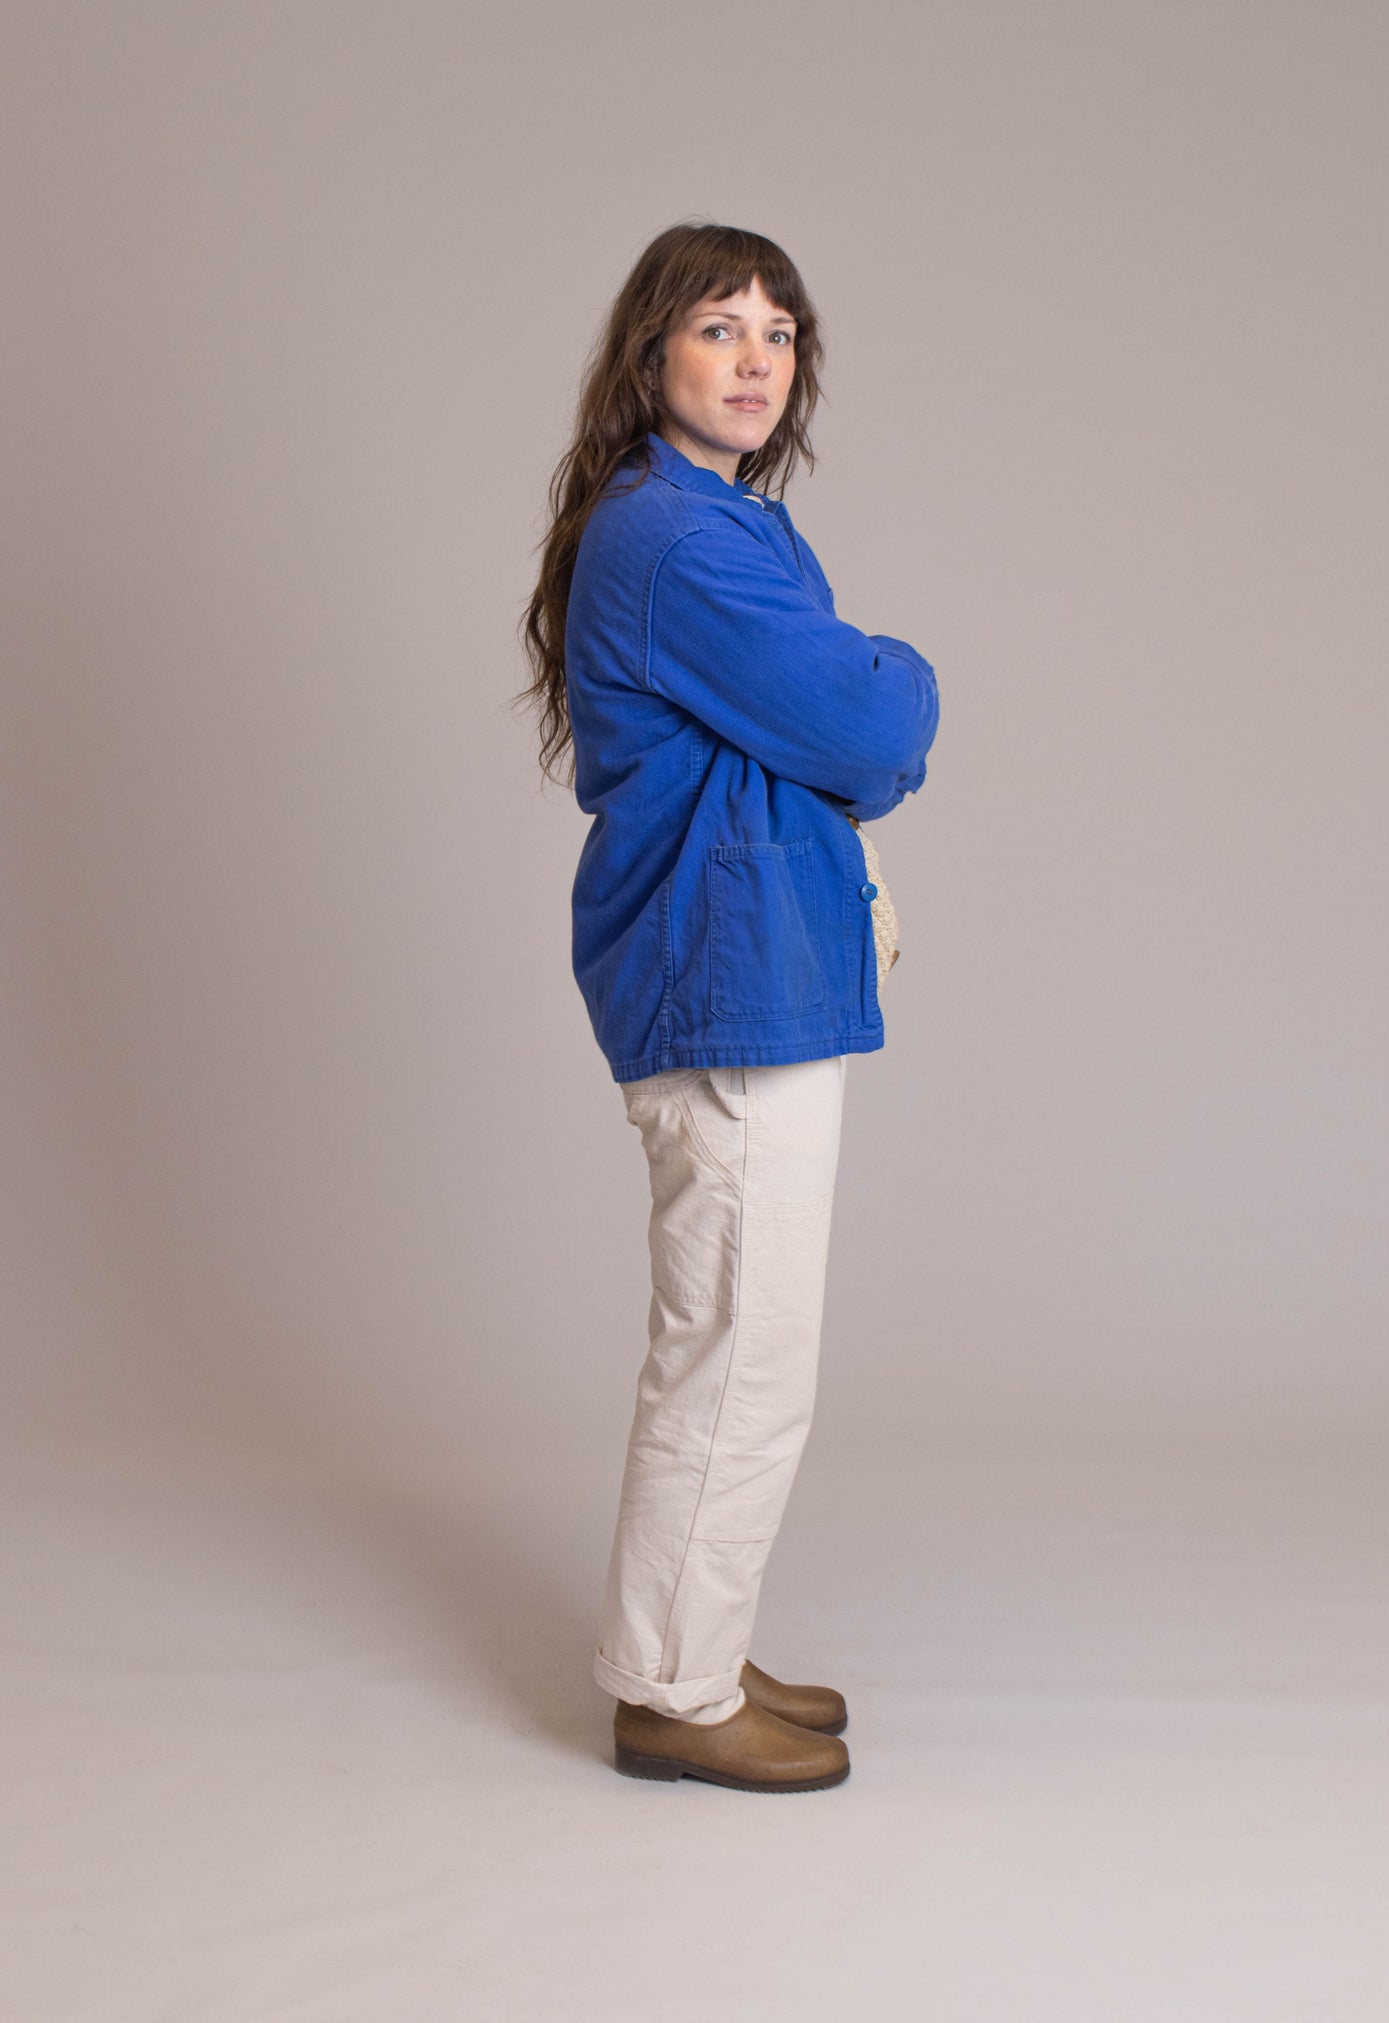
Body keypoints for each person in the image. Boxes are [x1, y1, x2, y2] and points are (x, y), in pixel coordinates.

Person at [515, 222, 939, 1792]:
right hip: (727, 975)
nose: (754, 358)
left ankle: (689, 1639)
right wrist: (896, 672)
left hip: (752, 968)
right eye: (717, 327)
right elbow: (869, 726)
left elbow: (830, 733)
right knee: (740, 1349)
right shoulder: (677, 539)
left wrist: (846, 705)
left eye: (778, 331)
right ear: (652, 355)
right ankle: (674, 1695)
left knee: (737, 1335)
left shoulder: (714, 520)